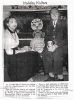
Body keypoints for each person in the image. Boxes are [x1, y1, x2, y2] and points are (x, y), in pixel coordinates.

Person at [42, 7, 68, 81]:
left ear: (58, 14)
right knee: (46, 53)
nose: (53, 14)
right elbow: (46, 37)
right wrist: (48, 44)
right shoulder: (48, 24)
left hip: (62, 45)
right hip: (51, 45)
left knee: (57, 54)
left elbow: (68, 38)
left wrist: (56, 45)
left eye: (55, 12)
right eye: (52, 13)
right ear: (50, 15)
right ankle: (51, 75)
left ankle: (60, 76)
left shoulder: (64, 23)